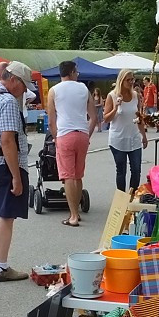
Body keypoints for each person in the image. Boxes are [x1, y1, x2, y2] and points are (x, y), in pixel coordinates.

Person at [0, 61, 34, 283]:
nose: (24, 90)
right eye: (23, 85)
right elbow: (7, 141)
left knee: (1, 216)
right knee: (7, 217)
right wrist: (16, 176)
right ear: (13, 79)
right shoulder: (7, 101)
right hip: (7, 165)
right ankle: (1, 267)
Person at [47, 60, 96, 227]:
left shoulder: (53, 91)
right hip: (82, 134)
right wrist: (87, 134)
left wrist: (55, 137)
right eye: (77, 72)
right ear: (72, 72)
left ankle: (73, 215)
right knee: (78, 174)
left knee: (68, 176)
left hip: (64, 134)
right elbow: (94, 117)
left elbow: (51, 121)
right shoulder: (83, 89)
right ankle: (78, 211)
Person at [104, 69, 148, 192]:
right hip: (118, 139)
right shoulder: (112, 96)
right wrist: (116, 107)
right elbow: (106, 119)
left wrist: (143, 136)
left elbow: (139, 117)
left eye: (132, 79)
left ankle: (131, 197)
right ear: (121, 80)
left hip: (134, 137)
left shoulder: (136, 96)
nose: (130, 82)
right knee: (121, 170)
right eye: (128, 80)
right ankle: (121, 199)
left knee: (136, 170)